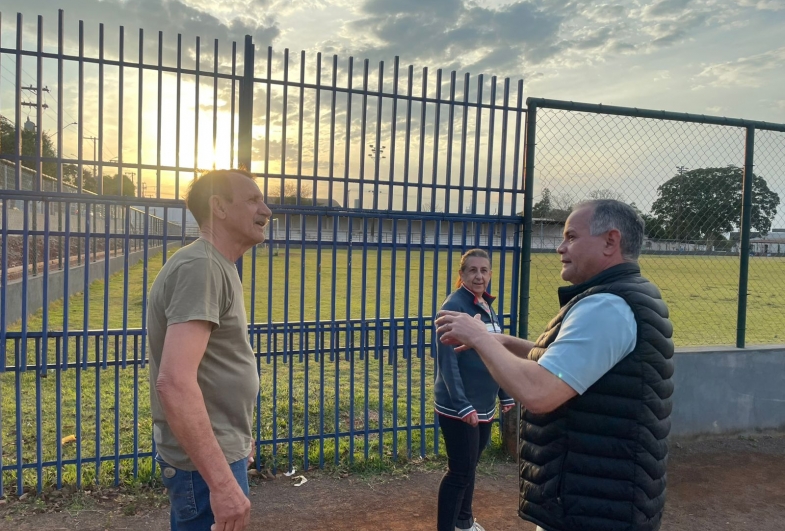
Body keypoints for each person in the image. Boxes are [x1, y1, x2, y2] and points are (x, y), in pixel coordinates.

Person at [435, 200, 674, 531]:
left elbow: (539, 391)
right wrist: (503, 342)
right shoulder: (623, 296)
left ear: (610, 241)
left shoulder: (607, 306)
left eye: (571, 237)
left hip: (591, 503)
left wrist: (482, 338)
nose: (560, 248)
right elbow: (571, 365)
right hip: (599, 494)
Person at [147, 169, 272, 531]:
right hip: (201, 468)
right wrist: (220, 482)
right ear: (218, 207)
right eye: (252, 200)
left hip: (219, 449)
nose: (266, 208)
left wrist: (239, 436)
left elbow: (213, 365)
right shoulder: (201, 266)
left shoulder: (219, 264)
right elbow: (174, 382)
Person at [434, 248, 515, 531]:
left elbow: (495, 351)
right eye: (473, 270)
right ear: (462, 274)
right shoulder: (453, 306)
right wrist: (462, 404)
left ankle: (464, 522)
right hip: (459, 408)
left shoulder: (486, 305)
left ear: (490, 274)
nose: (479, 275)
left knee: (470, 468)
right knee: (460, 471)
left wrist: (504, 393)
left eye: (484, 270)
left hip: (484, 405)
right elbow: (447, 362)